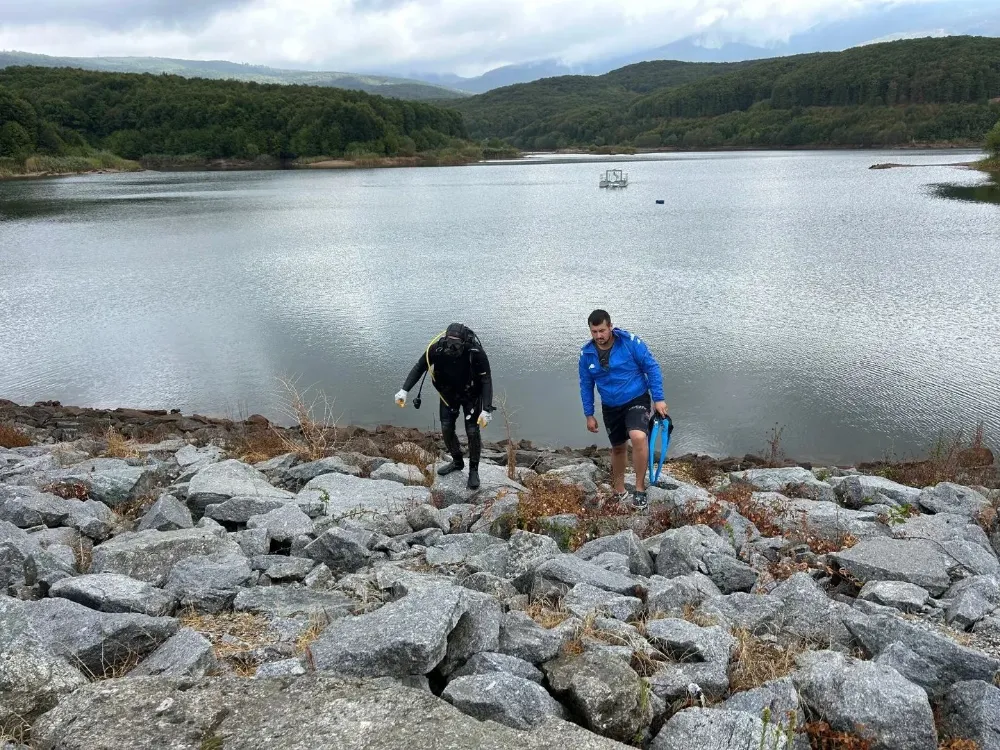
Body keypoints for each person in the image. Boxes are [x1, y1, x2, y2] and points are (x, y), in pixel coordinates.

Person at [578, 309, 668, 510]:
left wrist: (659, 398)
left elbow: (651, 367)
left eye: (602, 330)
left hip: (636, 397)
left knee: (637, 436)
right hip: (610, 405)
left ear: (610, 326)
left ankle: (639, 488)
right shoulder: (587, 354)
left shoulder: (630, 342)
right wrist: (589, 414)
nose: (599, 336)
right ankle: (619, 490)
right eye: (594, 332)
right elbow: (586, 384)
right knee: (618, 448)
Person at [395, 323, 494, 489]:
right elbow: (420, 367)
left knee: (472, 431)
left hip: (471, 395)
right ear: (445, 340)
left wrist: (487, 408)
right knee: (447, 429)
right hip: (448, 395)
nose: (452, 347)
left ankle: (474, 470)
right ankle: (457, 461)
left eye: (456, 344)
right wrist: (404, 390)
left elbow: (486, 380)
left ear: (464, 342)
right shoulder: (437, 349)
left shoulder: (475, 353)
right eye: (449, 342)